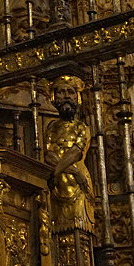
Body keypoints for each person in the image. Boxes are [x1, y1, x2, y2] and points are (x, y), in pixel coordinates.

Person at [44, 75, 94, 233]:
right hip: (58, 183)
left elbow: (75, 152)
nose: (66, 96)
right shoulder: (51, 127)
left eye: (70, 92)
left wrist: (56, 172)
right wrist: (71, 171)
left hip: (76, 185)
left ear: (77, 97)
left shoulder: (81, 127)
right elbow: (48, 154)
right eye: (61, 92)